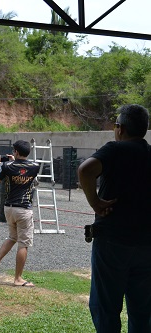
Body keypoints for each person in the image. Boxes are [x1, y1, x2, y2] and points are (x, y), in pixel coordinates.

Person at [78, 104, 151, 333]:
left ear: (119, 128)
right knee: (143, 311)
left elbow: (85, 170)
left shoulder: (115, 150)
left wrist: (95, 202)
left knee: (106, 308)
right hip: (147, 245)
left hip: (112, 243)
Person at [0, 140, 40, 287]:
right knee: (23, 243)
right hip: (24, 209)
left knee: (12, 237)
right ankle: (18, 279)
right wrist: (14, 161)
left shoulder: (7, 166)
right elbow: (22, 170)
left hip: (8, 208)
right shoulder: (35, 166)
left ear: (15, 151)